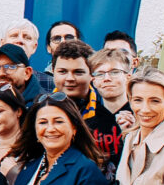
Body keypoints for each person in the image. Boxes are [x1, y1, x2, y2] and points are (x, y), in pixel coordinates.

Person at [50, 41, 120, 171]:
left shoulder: (108, 117)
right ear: (53, 72)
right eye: (62, 71)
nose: (70, 78)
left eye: (78, 72)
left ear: (91, 75)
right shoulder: (38, 112)